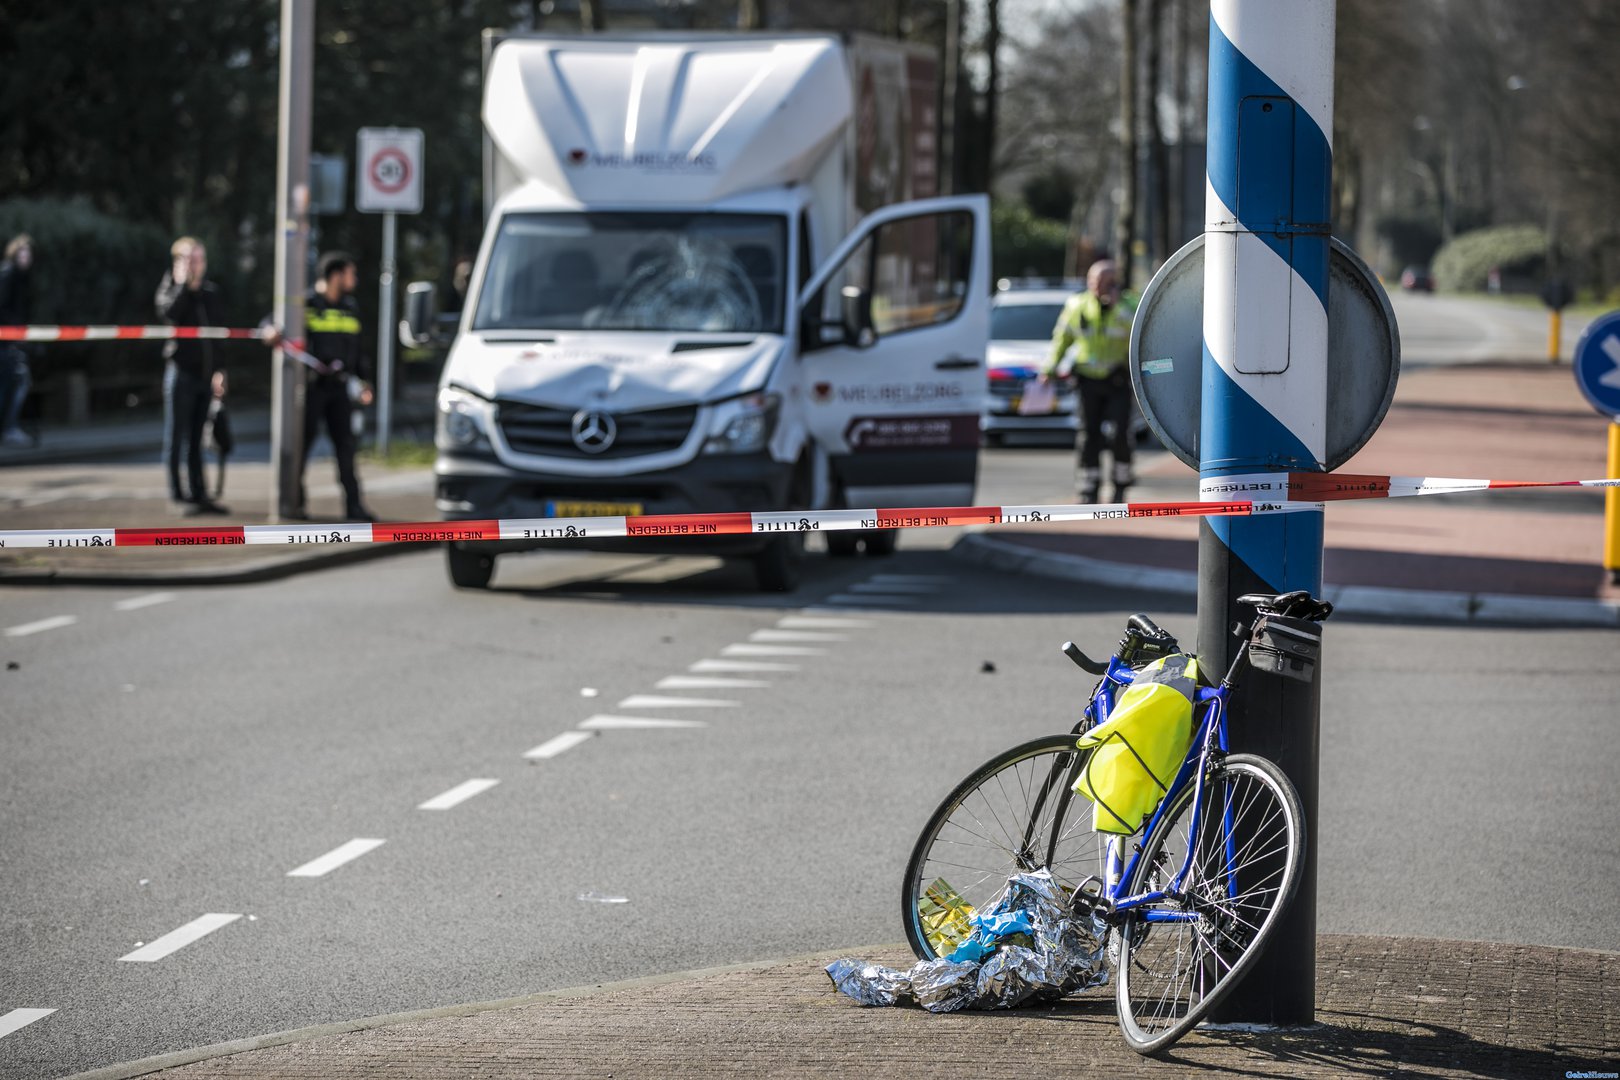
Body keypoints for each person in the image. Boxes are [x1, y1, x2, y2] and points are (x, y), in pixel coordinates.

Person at [264, 252, 375, 521]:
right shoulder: (306, 303)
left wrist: (364, 381)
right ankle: (295, 502)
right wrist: (269, 331)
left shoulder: (349, 306)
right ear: (336, 275)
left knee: (346, 448)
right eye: (351, 273)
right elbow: (270, 322)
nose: (354, 279)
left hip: (339, 389)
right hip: (313, 388)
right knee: (303, 444)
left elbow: (357, 349)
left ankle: (354, 506)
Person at [1041, 259, 1139, 503]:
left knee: (1119, 435)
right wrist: (1050, 368)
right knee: (1088, 436)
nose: (1097, 286)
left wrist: (1116, 306)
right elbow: (1061, 338)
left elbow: (1138, 335)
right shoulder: (1077, 305)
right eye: (1093, 281)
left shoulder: (1129, 305)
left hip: (1117, 380)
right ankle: (1088, 488)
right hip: (1087, 380)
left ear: (1115, 282)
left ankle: (1120, 486)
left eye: (1104, 282)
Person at [155, 236, 229, 514]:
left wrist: (220, 371)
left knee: (197, 439)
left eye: (199, 259)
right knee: (175, 437)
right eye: (189, 259)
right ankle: (177, 495)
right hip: (180, 374)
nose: (196, 264)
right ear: (178, 262)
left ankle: (200, 494)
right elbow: (170, 314)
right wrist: (184, 286)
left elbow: (218, 337)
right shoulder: (168, 290)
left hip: (205, 376)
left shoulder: (211, 294)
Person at [0, 234, 35, 447]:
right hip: (6, 340)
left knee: (14, 383)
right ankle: (9, 428)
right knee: (17, 382)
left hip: (13, 339)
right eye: (22, 252)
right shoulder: (8, 274)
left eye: (29, 253)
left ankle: (9, 427)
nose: (26, 257)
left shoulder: (20, 277)